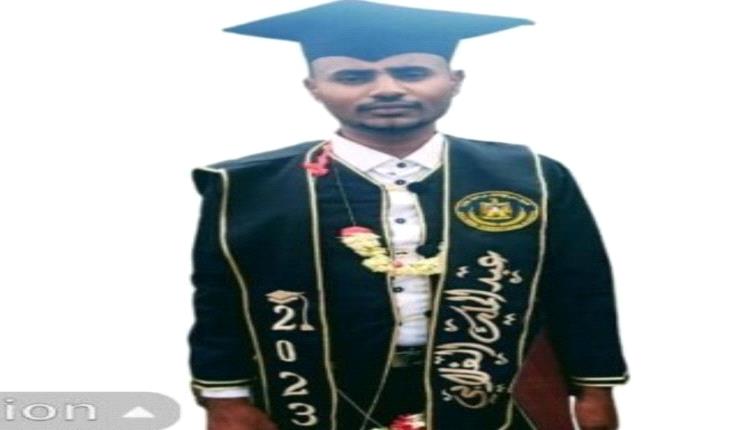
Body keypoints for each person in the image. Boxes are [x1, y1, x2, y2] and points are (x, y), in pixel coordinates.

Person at [188, 1, 629, 429]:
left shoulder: (531, 176)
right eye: (353, 77)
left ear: (454, 80)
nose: (386, 89)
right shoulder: (247, 187)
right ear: (313, 86)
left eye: (412, 73)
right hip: (312, 390)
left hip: (491, 385)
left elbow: (580, 289)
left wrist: (595, 390)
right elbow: (219, 300)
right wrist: (225, 401)